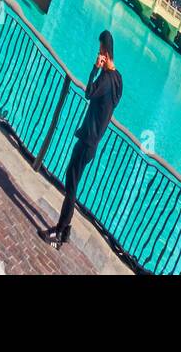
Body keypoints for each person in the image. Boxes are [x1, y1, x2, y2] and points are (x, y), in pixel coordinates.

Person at [39, 30, 123, 249]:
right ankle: (65, 230)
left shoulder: (105, 78)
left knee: (71, 185)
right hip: (93, 142)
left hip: (87, 140)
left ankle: (60, 230)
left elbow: (88, 92)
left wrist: (95, 68)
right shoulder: (118, 80)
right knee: (72, 181)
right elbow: (112, 100)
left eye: (99, 51)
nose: (98, 54)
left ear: (105, 52)